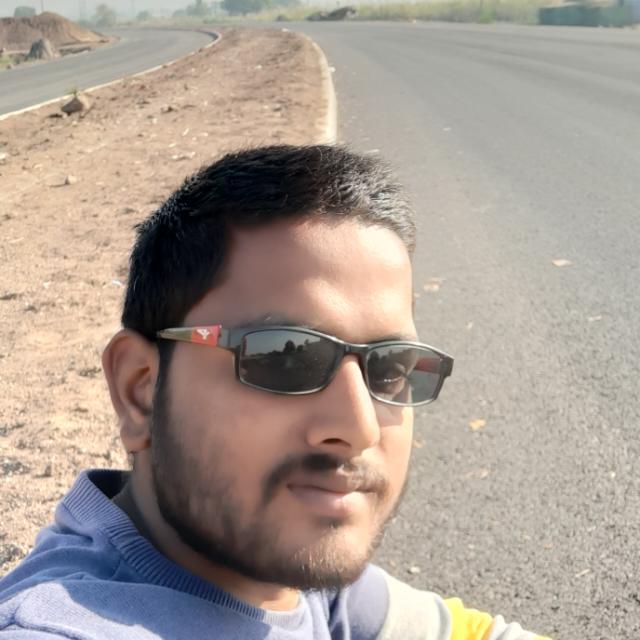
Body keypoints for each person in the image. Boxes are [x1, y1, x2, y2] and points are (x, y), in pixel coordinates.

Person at [0, 145, 550, 639]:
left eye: (389, 369)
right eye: (286, 356)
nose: (358, 427)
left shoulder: (292, 572)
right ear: (139, 390)